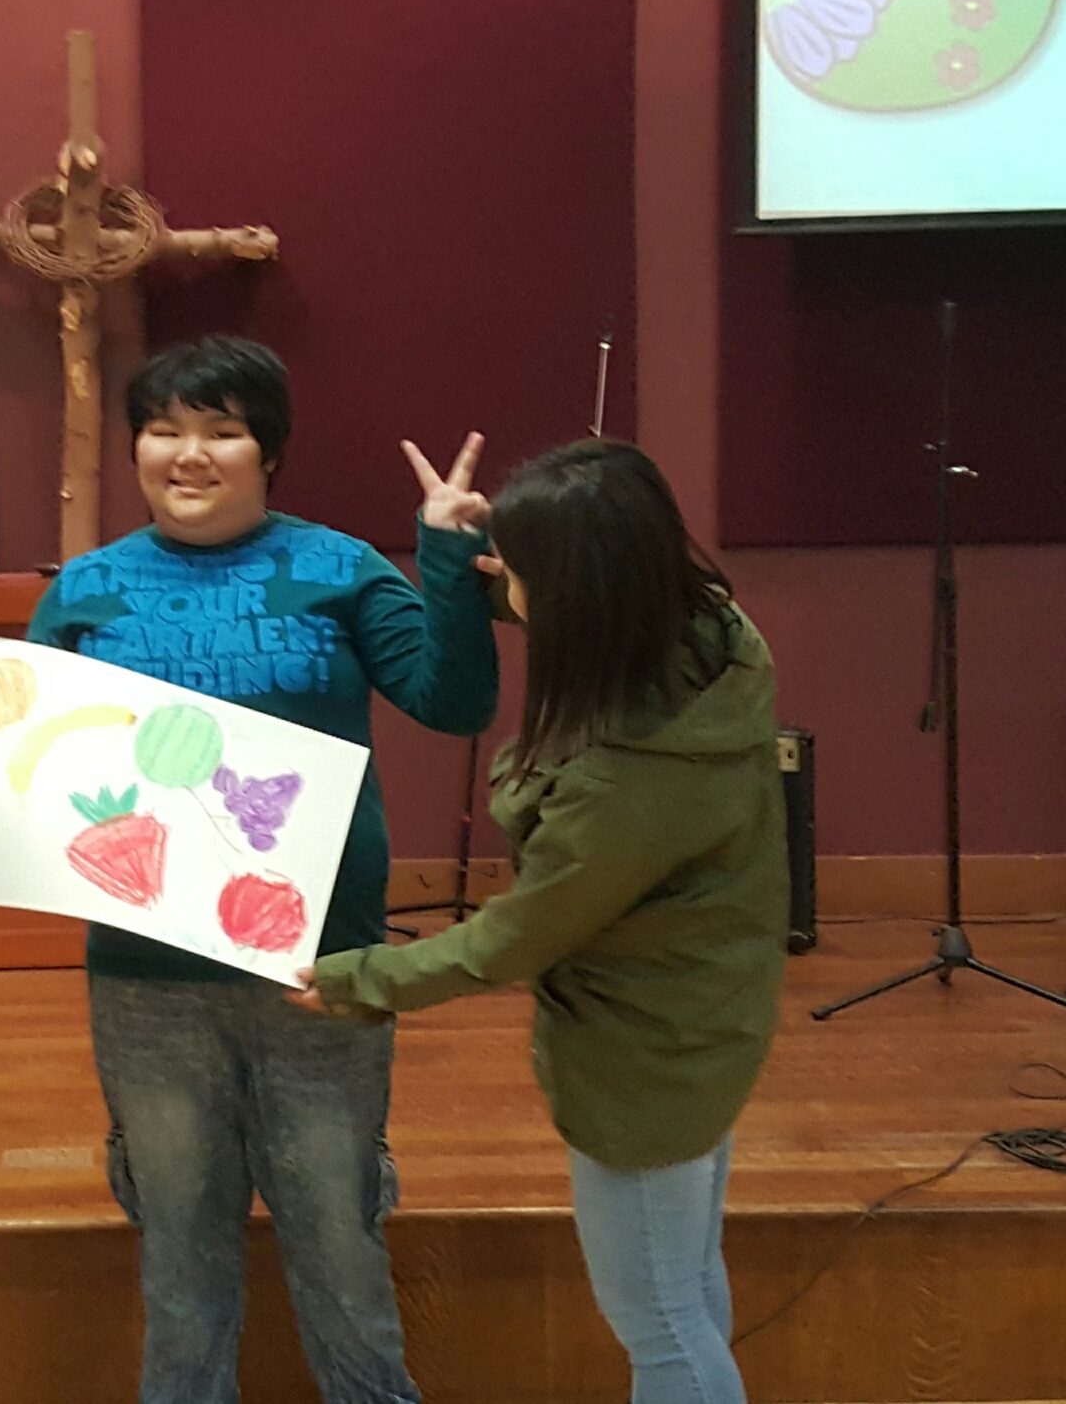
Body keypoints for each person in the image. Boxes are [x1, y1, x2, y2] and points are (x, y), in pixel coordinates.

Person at [0, 335, 497, 1404]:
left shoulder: (340, 569)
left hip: (322, 973)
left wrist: (447, 561)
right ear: (134, 446)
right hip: (148, 981)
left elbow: (453, 703)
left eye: (222, 431)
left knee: (341, 1248)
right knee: (178, 1262)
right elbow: (28, 768)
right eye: (164, 429)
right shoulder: (86, 589)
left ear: (267, 452)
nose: (189, 453)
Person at [290, 438, 790, 1404]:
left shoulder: (620, 792)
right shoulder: (713, 633)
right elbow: (557, 599)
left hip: (646, 1064)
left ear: (574, 596)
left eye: (518, 574)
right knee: (684, 1286)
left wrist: (357, 979)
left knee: (659, 1321)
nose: (507, 588)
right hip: (706, 1018)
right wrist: (451, 549)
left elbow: (508, 941)